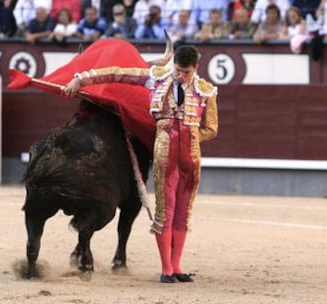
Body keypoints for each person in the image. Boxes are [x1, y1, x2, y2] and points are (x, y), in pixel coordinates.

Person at [64, 44, 219, 284]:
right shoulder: (155, 77)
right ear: (173, 64)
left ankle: (177, 266)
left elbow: (211, 128)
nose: (180, 76)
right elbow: (115, 73)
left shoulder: (205, 90)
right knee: (164, 212)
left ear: (195, 68)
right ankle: (166, 269)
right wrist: (80, 79)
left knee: (183, 213)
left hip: (191, 155)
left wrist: (191, 134)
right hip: (165, 152)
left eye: (186, 72)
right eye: (178, 70)